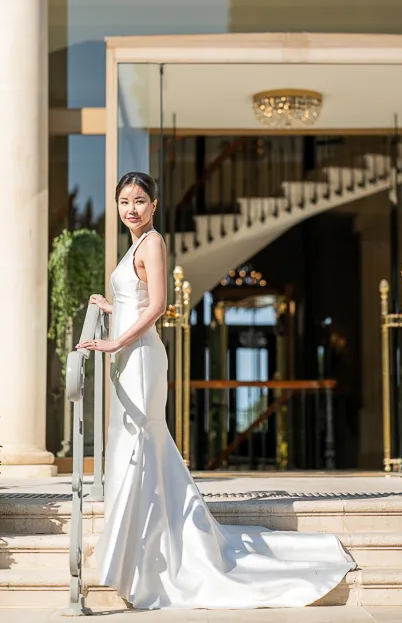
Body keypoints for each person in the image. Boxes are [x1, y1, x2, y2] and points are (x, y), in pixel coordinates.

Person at [77, 171, 355, 610]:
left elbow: (159, 306)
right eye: (124, 201)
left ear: (154, 205)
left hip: (141, 358)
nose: (131, 208)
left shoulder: (152, 241)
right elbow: (136, 299)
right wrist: (109, 306)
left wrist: (114, 340)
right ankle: (134, 551)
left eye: (140, 201)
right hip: (129, 359)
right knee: (141, 449)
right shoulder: (134, 246)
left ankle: (136, 558)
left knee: (141, 447)